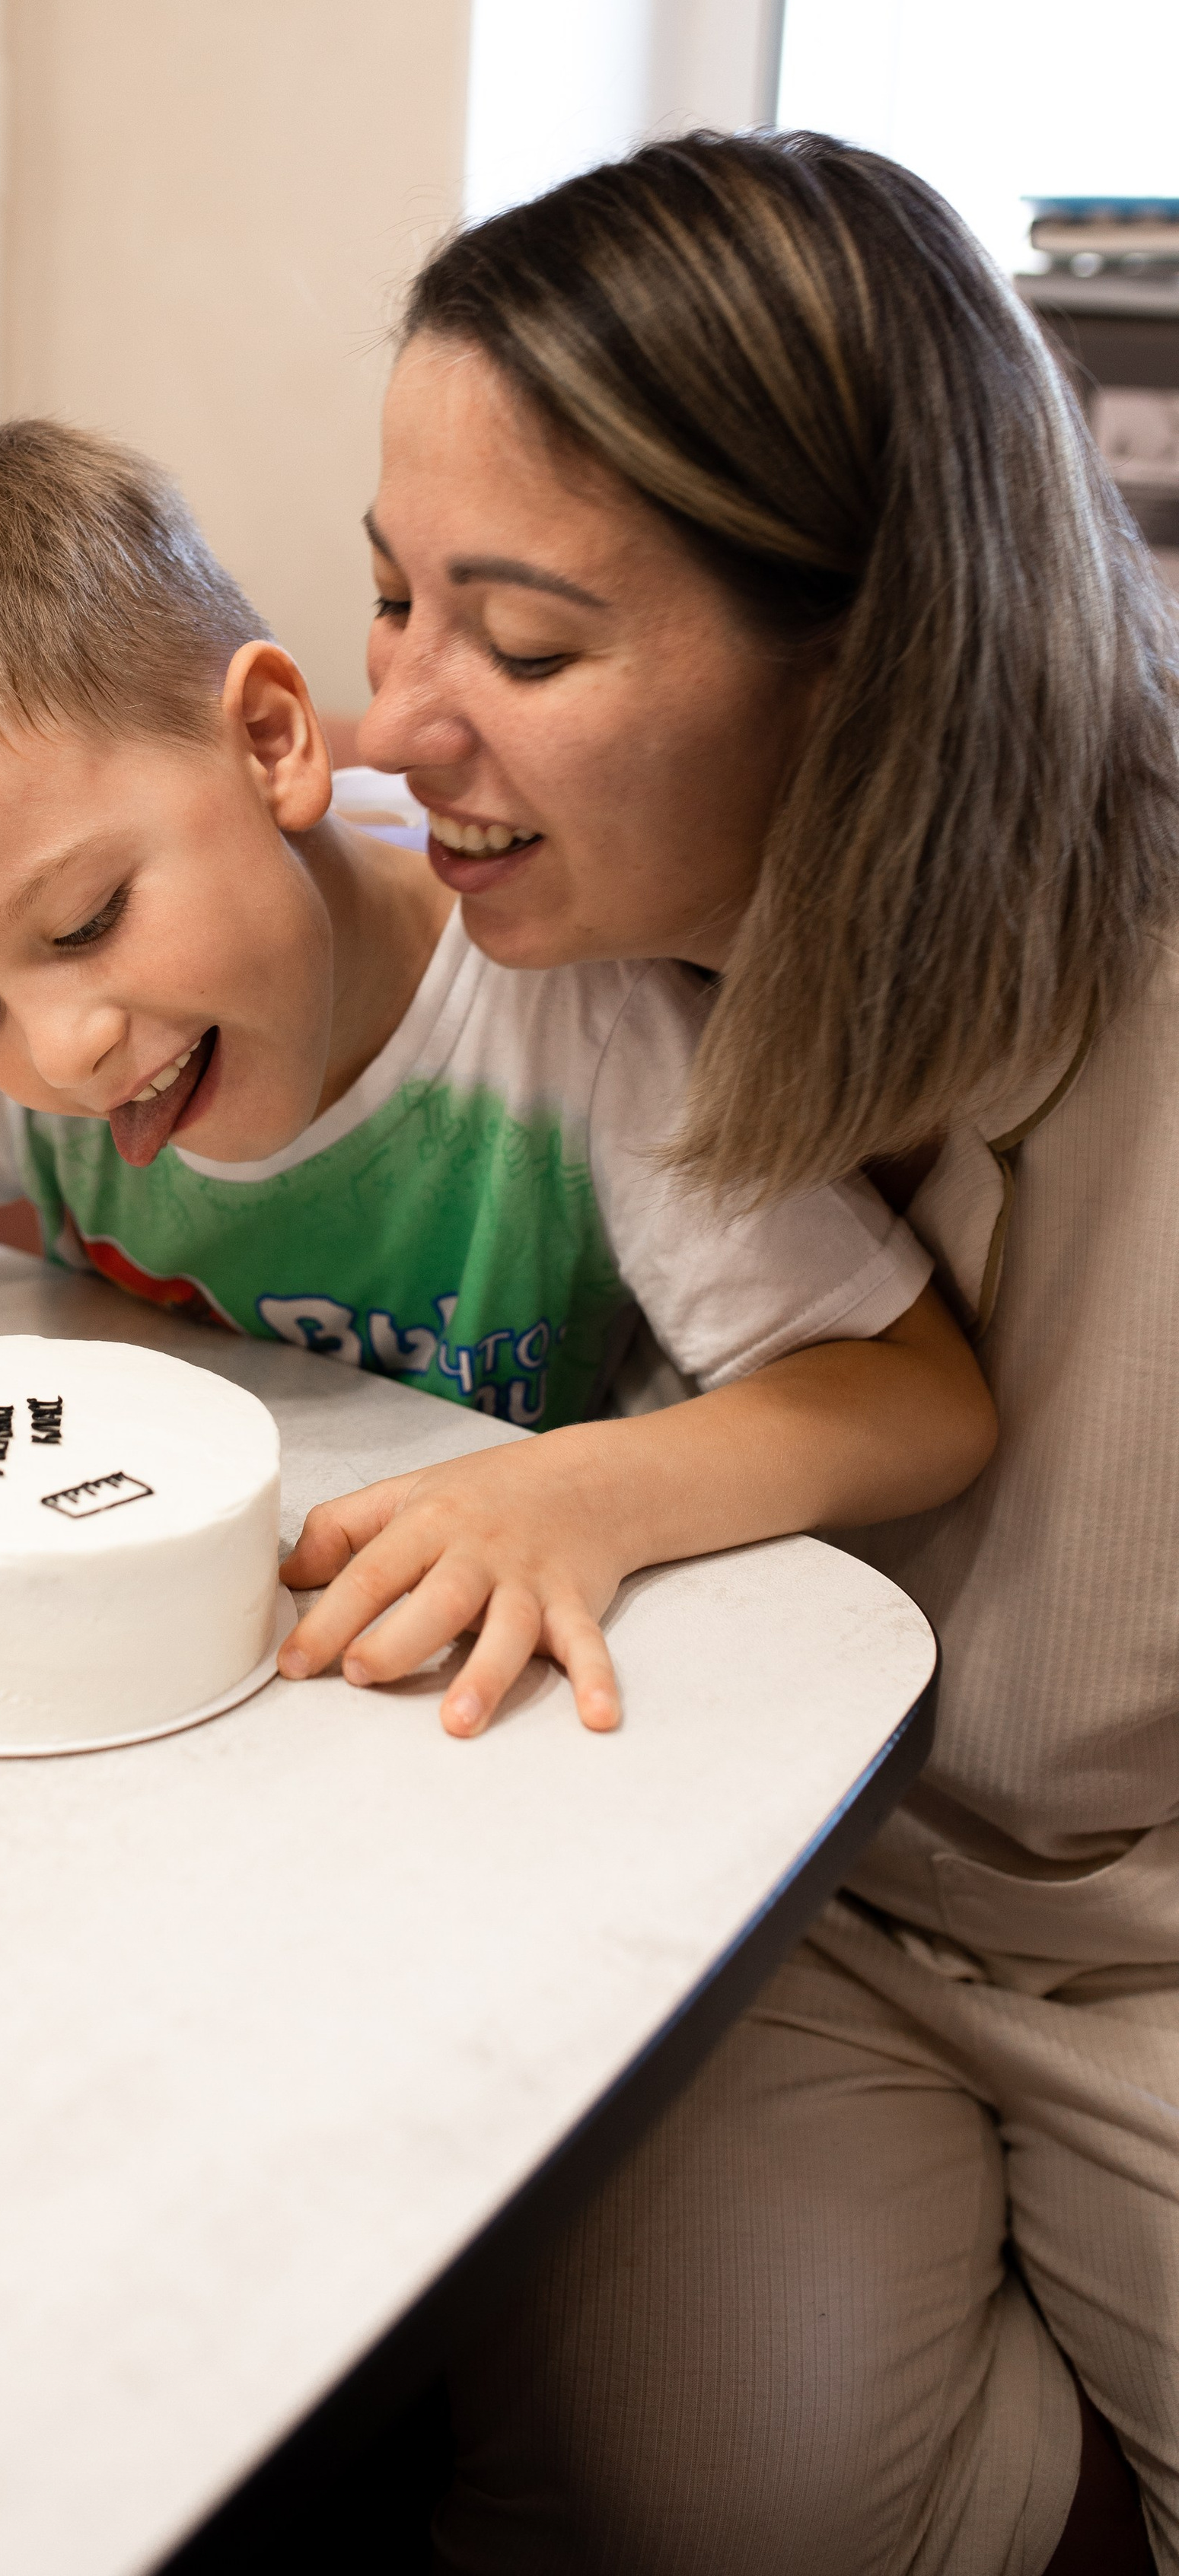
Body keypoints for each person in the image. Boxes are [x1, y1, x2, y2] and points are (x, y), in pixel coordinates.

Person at [325, 131, 1178, 2571]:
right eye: (395, 603)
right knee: (700, 2488)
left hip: (1149, 1931)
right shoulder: (546, 950)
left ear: (883, 662)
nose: (401, 730)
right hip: (791, 1881)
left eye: (525, 644)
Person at [0, 415, 991, 1740]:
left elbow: (908, 1396)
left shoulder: (571, 1015)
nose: (59, 1050)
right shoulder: (9, 1057)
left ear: (268, 742)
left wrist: (589, 1493)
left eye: (87, 923)